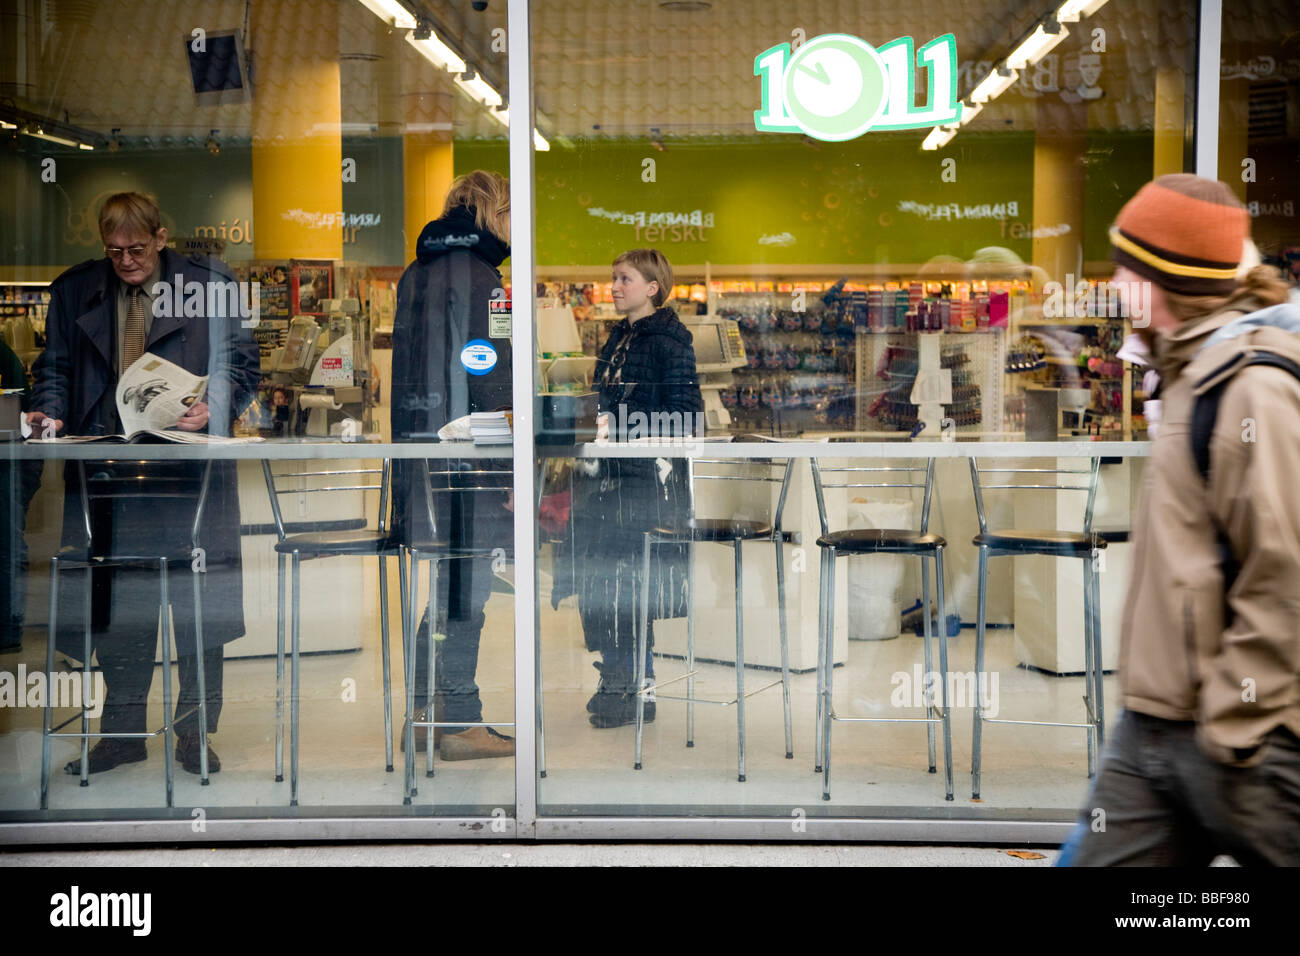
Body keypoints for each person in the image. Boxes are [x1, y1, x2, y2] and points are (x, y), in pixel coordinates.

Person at [1059, 174, 1300, 865]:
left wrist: (1235, 722)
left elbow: (1284, 571)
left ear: (1159, 279)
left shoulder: (1250, 386)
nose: (1114, 280)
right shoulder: (1186, 372)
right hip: (1153, 727)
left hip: (1234, 739)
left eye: (1126, 264)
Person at [26, 192, 260, 776]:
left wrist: (214, 404)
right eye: (113, 250)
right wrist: (48, 412)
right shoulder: (76, 289)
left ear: (161, 237)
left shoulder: (209, 282)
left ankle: (193, 735)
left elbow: (241, 361)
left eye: (136, 248)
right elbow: (53, 369)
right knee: (118, 601)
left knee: (197, 604)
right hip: (110, 467)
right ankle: (124, 731)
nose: (125, 260)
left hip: (188, 468)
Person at [390, 170, 515, 761]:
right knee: (468, 591)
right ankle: (461, 721)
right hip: (472, 463)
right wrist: (511, 470)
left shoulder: (416, 273)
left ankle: (423, 715)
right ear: (492, 213)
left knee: (445, 590)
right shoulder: (486, 279)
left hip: (422, 455)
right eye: (512, 213)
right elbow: (491, 379)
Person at [571, 249, 703, 728]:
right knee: (602, 583)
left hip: (644, 483)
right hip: (606, 482)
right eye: (613, 278)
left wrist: (618, 425)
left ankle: (634, 689)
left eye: (625, 278)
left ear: (652, 287)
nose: (614, 286)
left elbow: (688, 417)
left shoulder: (670, 340)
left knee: (628, 584)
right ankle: (618, 682)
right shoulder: (616, 339)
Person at [1, 338, 44, 652]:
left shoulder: (4, 360)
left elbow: (11, 421)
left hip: (6, 469)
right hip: (12, 469)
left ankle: (7, 630)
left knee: (6, 547)